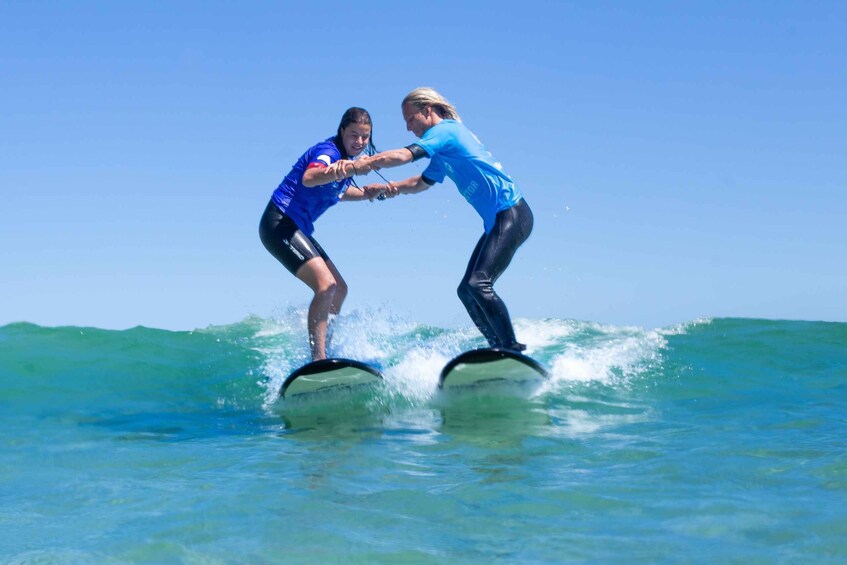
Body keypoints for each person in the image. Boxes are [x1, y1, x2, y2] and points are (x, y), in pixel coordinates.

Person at [354, 87, 534, 352]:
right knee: (466, 290)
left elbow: (405, 155)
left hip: (513, 213)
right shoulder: (441, 148)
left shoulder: (446, 131)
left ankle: (510, 348)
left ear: (427, 111)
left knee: (479, 283)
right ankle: (496, 347)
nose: (408, 127)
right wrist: (388, 189)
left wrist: (368, 162)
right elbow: (421, 182)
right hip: (497, 221)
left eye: (410, 119)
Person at [259, 107, 376, 361]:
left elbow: (339, 192)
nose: (359, 142)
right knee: (326, 285)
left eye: (365, 137)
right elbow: (311, 177)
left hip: (296, 228)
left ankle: (326, 352)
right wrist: (349, 170)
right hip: (279, 223)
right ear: (342, 131)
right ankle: (318, 359)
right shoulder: (329, 152)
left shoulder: (345, 162)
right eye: (354, 135)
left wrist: (368, 193)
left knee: (340, 288)